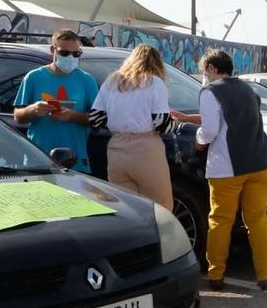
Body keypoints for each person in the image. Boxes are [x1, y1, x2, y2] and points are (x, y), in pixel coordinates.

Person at [197, 48, 267, 291]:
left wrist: (198, 142)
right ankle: (265, 275)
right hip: (261, 163)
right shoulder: (248, 88)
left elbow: (209, 131)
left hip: (228, 168)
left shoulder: (210, 91)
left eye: (204, 71)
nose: (204, 75)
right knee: (257, 221)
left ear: (211, 68)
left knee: (220, 220)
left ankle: (216, 275)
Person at [90, 44, 174, 209]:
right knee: (159, 208)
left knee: (126, 207)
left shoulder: (111, 81)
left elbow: (95, 118)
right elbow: (162, 124)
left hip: (116, 149)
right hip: (146, 150)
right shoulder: (155, 83)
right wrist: (174, 123)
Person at [14, 30, 100, 169]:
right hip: (38, 159)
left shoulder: (87, 80)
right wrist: (33, 109)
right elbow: (18, 116)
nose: (71, 57)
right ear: (52, 50)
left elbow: (98, 119)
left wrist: (73, 116)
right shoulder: (34, 77)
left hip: (75, 160)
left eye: (76, 54)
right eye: (65, 53)